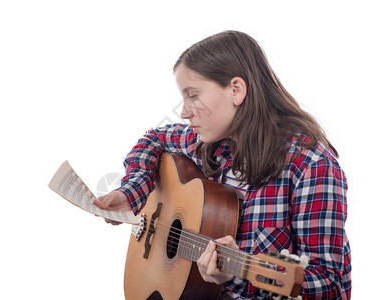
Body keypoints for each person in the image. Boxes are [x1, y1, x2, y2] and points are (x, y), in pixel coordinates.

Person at [94, 30, 351, 299]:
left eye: (193, 95)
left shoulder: (312, 165)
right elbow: (153, 139)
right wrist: (130, 194)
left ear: (236, 90)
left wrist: (238, 273)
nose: (183, 112)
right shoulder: (212, 143)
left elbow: (328, 284)